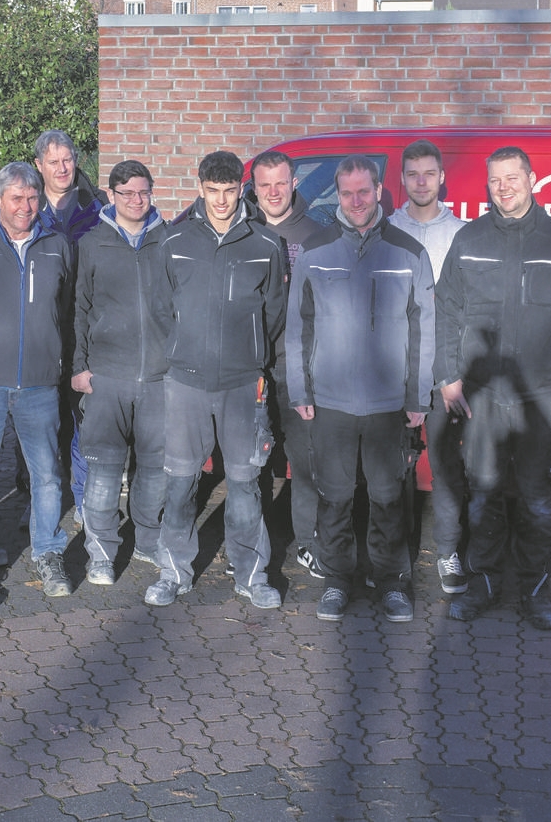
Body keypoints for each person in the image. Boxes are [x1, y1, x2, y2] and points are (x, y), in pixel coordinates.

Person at [436, 146, 551, 630]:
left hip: (541, 396)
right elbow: (446, 310)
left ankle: (535, 590)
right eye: (495, 180)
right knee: (483, 495)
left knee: (535, 499)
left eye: (513, 177)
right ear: (488, 186)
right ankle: (484, 583)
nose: (504, 187)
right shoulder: (470, 240)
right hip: (484, 397)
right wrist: (448, 377)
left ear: (532, 179)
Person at [286, 155, 435, 623]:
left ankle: (392, 582)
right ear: (338, 195)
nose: (356, 201)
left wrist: (419, 397)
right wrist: (300, 389)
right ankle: (337, 580)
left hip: (389, 402)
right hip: (329, 399)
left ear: (378, 191)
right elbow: (297, 328)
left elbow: (423, 330)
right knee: (335, 496)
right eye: (347, 193)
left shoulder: (408, 251)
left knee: (389, 498)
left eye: (364, 192)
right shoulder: (315, 249)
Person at [147, 150, 287, 609]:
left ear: (240, 188)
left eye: (230, 191)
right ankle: (173, 571)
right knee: (180, 481)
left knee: (246, 483)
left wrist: (249, 357)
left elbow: (273, 315)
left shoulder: (266, 245)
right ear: (200, 187)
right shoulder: (174, 241)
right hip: (185, 383)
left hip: (244, 383)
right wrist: (184, 351)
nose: (222, 200)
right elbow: (162, 309)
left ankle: (252, 574)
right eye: (213, 191)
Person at [0, 162, 76, 597]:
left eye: (33, 198)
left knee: (47, 474)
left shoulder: (57, 246)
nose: (26, 207)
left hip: (41, 383)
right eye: (16, 198)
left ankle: (48, 552)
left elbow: (67, 312)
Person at [71, 160, 168, 588]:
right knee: (105, 471)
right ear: (111, 195)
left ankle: (147, 541)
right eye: (126, 192)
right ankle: (101, 554)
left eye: (143, 191)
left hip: (159, 378)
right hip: (107, 376)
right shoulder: (92, 243)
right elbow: (78, 308)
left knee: (154, 469)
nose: (136, 200)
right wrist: (79, 367)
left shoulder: (168, 239)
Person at [388, 139, 470, 596]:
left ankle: (448, 553)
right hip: (396, 368)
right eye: (413, 174)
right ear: (403, 179)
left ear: (441, 177)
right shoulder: (383, 230)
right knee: (394, 466)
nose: (421, 182)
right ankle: (395, 558)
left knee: (445, 465)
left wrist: (454, 371)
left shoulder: (461, 233)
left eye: (429, 173)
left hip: (443, 369)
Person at [248, 149, 329, 577]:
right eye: (265, 185)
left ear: (294, 183)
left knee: (306, 462)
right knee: (251, 463)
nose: (274, 192)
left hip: (299, 369)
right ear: (254, 188)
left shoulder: (317, 236)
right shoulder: (243, 233)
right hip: (250, 368)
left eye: (281, 183)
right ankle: (252, 548)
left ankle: (310, 543)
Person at [34, 129, 108, 520]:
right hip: (41, 332)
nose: (62, 168)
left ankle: (84, 499)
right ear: (38, 166)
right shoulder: (28, 209)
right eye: (53, 161)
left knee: (84, 419)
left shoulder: (98, 208)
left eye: (68, 159)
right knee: (43, 421)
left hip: (85, 331)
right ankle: (41, 494)